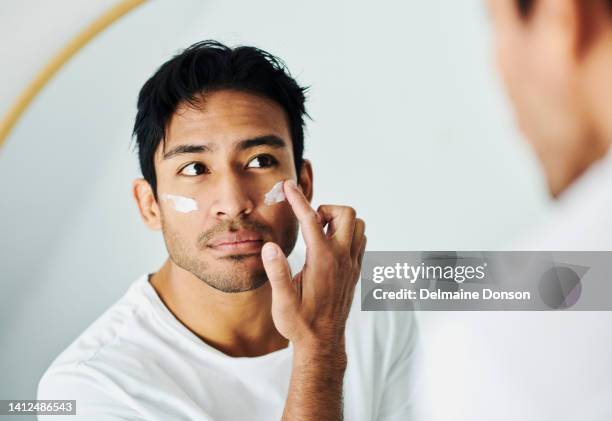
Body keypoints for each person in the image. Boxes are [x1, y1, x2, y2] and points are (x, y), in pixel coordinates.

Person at [37, 40, 419, 420]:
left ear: (303, 184)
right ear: (149, 205)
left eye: (260, 160)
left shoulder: (372, 296)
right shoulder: (87, 387)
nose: (233, 202)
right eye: (194, 169)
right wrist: (320, 347)